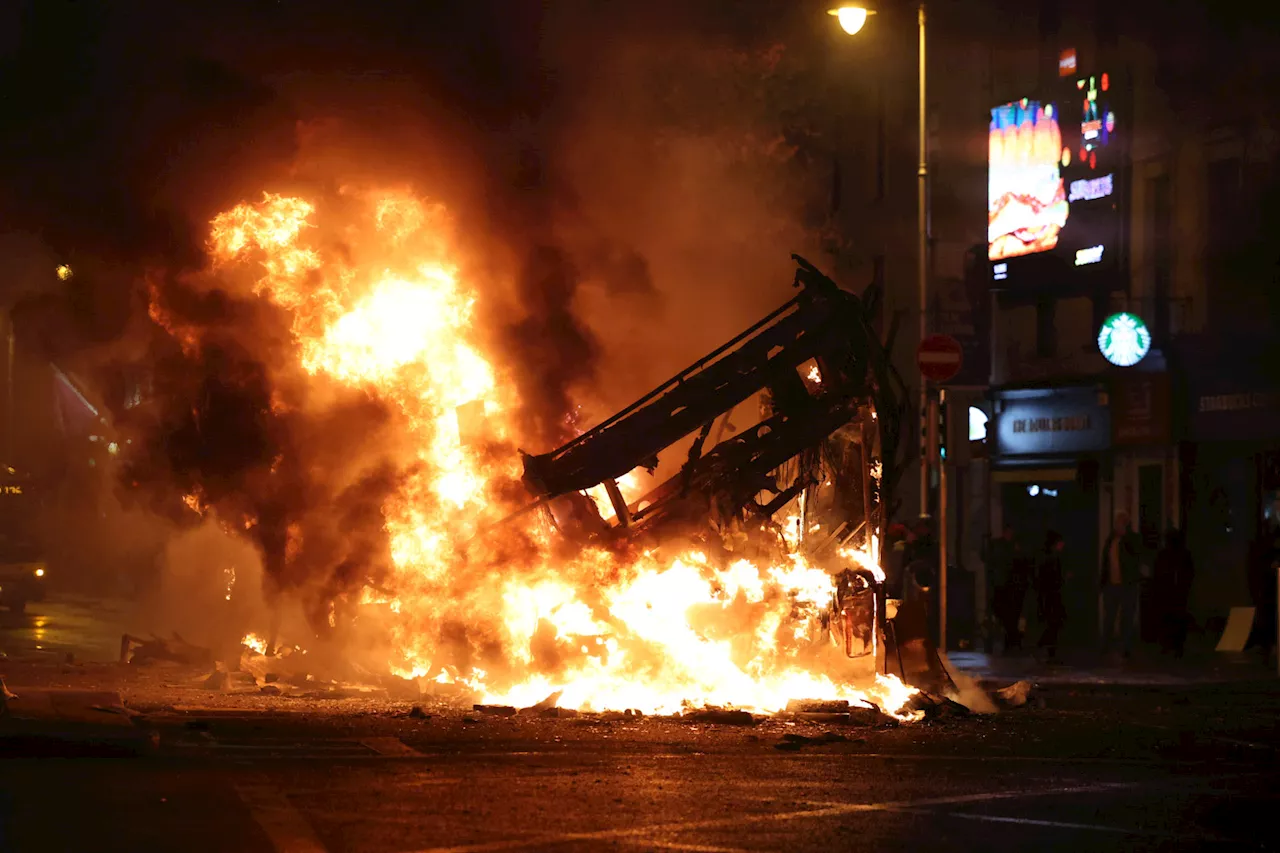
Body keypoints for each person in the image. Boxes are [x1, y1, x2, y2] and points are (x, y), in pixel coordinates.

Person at [1100, 511, 1142, 658]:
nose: (1117, 525)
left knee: (1127, 617)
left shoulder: (1133, 539)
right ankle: (1106, 646)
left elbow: (1136, 556)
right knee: (1110, 616)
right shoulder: (1111, 540)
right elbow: (1106, 562)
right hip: (1112, 584)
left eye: (1120, 523)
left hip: (1127, 584)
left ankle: (1126, 647)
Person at [1152, 527, 1195, 658]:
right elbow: (1158, 572)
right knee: (1169, 619)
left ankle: (1175, 646)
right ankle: (1170, 645)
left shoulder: (1181, 554)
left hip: (1176, 593)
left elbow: (1189, 572)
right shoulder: (1166, 554)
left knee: (1176, 619)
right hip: (1169, 592)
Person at [989, 524, 1028, 653]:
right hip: (1003, 586)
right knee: (1005, 616)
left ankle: (1012, 641)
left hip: (1011, 586)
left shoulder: (1012, 547)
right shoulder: (1001, 546)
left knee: (1012, 616)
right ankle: (1009, 641)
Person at [1035, 530, 1067, 664]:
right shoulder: (1052, 559)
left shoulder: (1052, 558)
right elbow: (1050, 579)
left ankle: (1049, 651)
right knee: (1053, 624)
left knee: (1054, 624)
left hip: (1052, 596)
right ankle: (1045, 648)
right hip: (1051, 597)